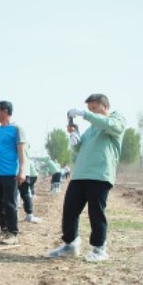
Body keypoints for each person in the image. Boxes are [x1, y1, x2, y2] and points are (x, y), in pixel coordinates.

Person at [46, 94, 125, 262]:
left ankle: (99, 249)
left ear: (105, 106)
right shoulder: (91, 130)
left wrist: (84, 114)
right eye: (89, 110)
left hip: (99, 175)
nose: (91, 113)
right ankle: (70, 244)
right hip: (80, 174)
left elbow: (111, 125)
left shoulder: (116, 119)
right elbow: (79, 151)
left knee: (95, 212)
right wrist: (75, 138)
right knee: (70, 210)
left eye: (94, 109)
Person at [0, 101, 27, 245]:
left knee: (9, 203)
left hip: (9, 173)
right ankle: (3, 230)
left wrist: (22, 171)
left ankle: (13, 233)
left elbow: (21, 152)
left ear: (5, 111)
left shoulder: (16, 129)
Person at [19, 143, 42, 223]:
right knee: (25, 194)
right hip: (26, 172)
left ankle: (28, 214)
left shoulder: (20, 145)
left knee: (21, 194)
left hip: (19, 172)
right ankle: (29, 214)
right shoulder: (26, 149)